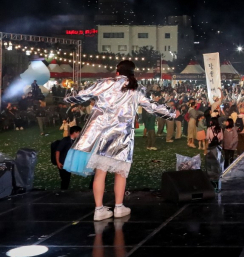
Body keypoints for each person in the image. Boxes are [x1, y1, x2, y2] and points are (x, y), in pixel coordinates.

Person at [63, 60, 175, 221]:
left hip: (102, 135)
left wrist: (68, 98)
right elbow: (152, 106)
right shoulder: (135, 89)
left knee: (100, 173)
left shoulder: (106, 83)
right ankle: (119, 207)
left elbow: (81, 95)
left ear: (117, 71)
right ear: (132, 72)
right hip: (122, 138)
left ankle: (99, 209)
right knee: (120, 173)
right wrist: (171, 113)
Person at [56, 126, 82, 190]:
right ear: (75, 132)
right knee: (65, 179)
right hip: (62, 163)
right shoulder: (65, 140)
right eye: (79, 132)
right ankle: (63, 192)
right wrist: (58, 162)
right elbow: (57, 151)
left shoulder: (75, 141)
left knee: (67, 179)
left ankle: (64, 191)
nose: (80, 134)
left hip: (68, 163)